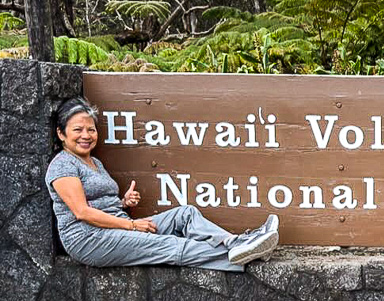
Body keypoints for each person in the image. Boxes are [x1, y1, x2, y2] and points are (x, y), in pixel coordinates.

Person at [45, 97, 279, 272]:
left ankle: (236, 243)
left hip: (118, 226)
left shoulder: (94, 161)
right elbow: (82, 212)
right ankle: (242, 256)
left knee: (185, 214)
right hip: (89, 239)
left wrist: (123, 203)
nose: (86, 135)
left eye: (91, 129)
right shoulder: (62, 164)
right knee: (169, 245)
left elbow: (100, 204)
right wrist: (133, 226)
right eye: (78, 130)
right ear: (61, 133)